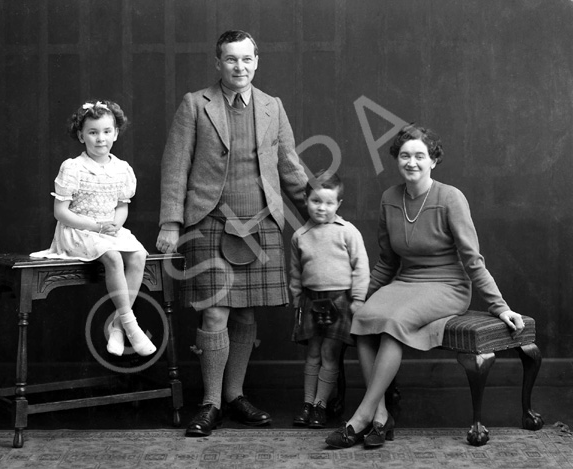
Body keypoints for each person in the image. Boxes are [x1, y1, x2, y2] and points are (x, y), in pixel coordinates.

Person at [325, 124, 526, 449]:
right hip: (406, 282)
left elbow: (473, 260)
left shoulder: (450, 198)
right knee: (361, 321)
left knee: (393, 324)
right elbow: (387, 261)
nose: (412, 162)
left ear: (433, 160)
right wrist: (360, 297)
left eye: (420, 155)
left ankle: (361, 417)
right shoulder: (390, 198)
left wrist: (499, 306)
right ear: (397, 160)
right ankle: (380, 415)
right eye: (405, 155)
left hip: (447, 286)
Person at [156, 30, 308, 437]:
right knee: (215, 310)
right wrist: (171, 222)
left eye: (246, 59)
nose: (239, 67)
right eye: (230, 60)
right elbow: (175, 166)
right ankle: (210, 403)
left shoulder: (272, 106)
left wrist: (319, 211)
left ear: (256, 61)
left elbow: (289, 167)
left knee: (244, 311)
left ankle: (235, 395)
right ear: (217, 63)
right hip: (209, 221)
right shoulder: (194, 104)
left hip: (259, 222)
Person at [31, 100, 155, 357]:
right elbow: (61, 212)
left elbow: (122, 206)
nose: (101, 139)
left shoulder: (122, 169)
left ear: (116, 133)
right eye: (93, 132)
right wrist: (97, 226)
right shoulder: (73, 167)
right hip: (77, 230)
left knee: (139, 255)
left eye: (107, 132)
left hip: (108, 229)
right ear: (81, 135)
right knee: (112, 257)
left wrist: (116, 224)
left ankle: (118, 326)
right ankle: (131, 326)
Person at [289, 170, 369, 428]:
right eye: (316, 201)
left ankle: (321, 406)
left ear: (338, 204)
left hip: (340, 300)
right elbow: (295, 271)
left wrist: (357, 299)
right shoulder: (300, 236)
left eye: (329, 202)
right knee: (312, 352)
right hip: (311, 301)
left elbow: (361, 267)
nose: (322, 208)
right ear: (305, 199)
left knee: (329, 352)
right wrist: (296, 298)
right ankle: (307, 403)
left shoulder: (347, 232)